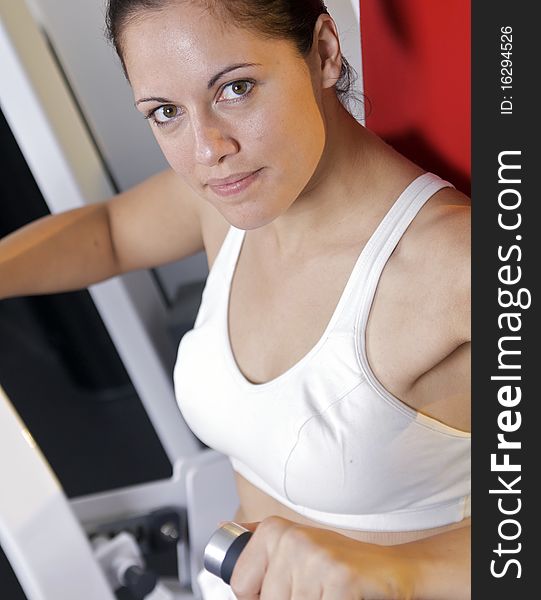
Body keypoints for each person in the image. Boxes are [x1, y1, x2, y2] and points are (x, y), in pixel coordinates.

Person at [0, 0, 471, 598]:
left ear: (324, 52)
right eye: (166, 112)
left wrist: (402, 570)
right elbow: (110, 234)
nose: (206, 150)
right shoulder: (226, 200)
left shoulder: (459, 264)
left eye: (236, 88)